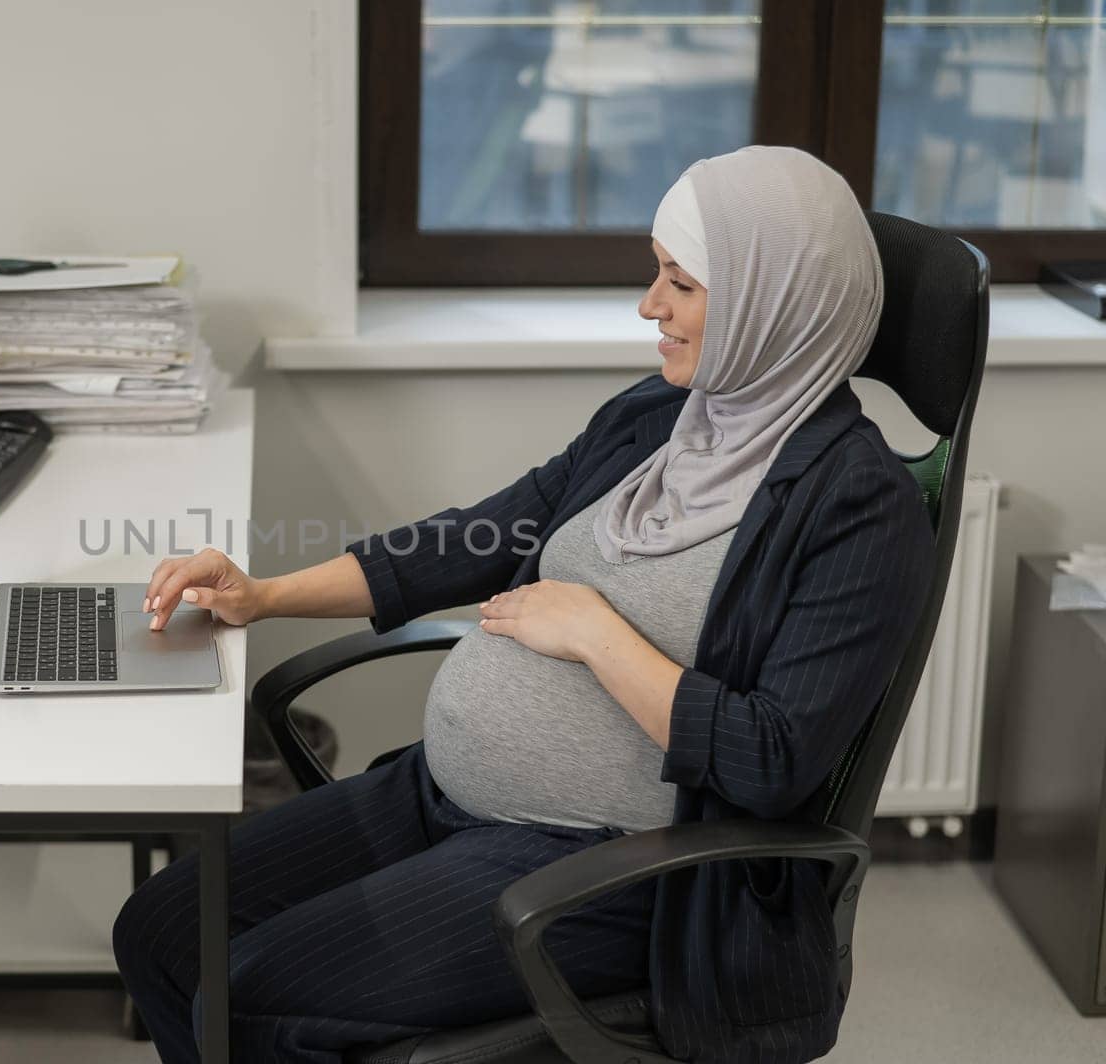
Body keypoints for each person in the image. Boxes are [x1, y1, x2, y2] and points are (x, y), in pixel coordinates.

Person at [113, 145, 934, 1064]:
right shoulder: (662, 419)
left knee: (252, 997)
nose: (649, 306)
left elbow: (773, 761)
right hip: (443, 796)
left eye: (681, 284)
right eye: (653, 274)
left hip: (603, 866)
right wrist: (263, 595)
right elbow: (484, 535)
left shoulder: (858, 508)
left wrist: (595, 634)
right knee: (159, 932)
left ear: (769, 305)